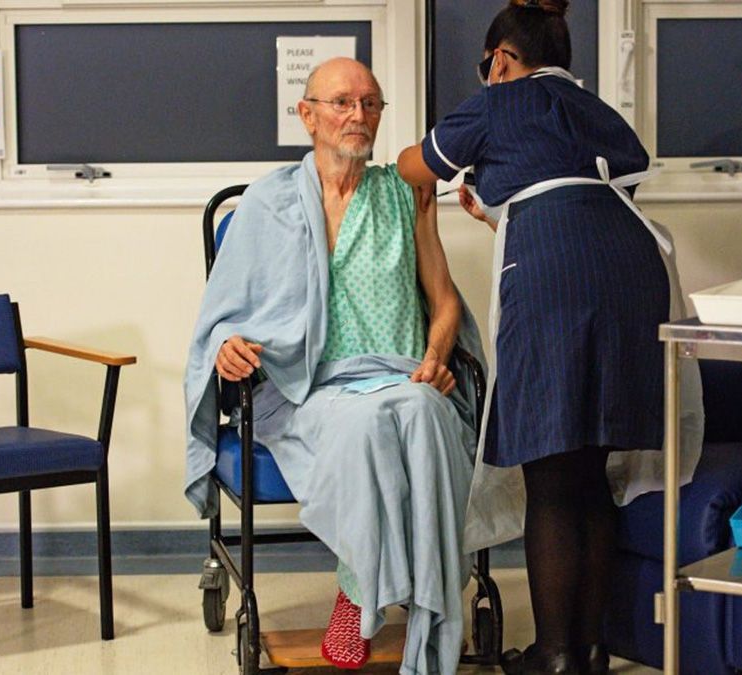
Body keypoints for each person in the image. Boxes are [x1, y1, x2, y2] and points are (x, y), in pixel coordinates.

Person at [397, 2, 699, 673]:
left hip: (556, 273)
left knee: (553, 476)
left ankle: (553, 654)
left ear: (502, 59)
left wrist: (414, 163)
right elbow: (601, 180)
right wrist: (505, 205)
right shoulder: (592, 108)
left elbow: (417, 167)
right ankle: (589, 651)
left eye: (487, 67)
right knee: (590, 468)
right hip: (630, 271)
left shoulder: (498, 101)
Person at [184, 57, 486, 675]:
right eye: (343, 103)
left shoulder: (405, 193)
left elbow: (445, 300)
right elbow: (222, 317)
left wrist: (436, 356)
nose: (359, 116)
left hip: (402, 375)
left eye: (371, 104)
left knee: (423, 411)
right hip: (303, 389)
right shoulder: (265, 205)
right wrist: (227, 347)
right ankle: (363, 595)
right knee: (371, 423)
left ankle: (424, 605)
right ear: (308, 116)